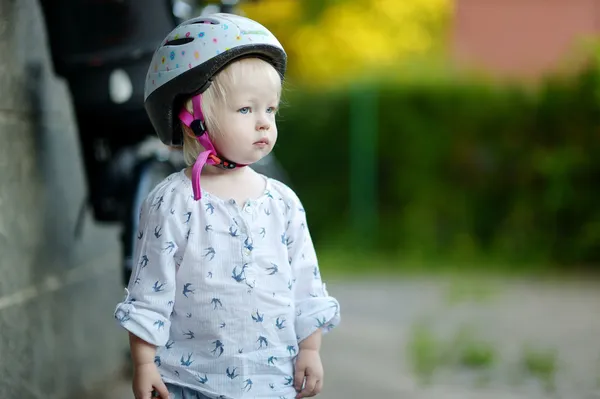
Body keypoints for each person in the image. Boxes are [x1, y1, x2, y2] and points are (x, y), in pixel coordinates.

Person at [113, 13, 341, 399]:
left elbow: (307, 283)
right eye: (246, 110)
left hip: (273, 379)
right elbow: (150, 290)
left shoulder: (282, 202)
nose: (264, 123)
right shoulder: (173, 202)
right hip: (189, 380)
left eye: (270, 110)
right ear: (192, 121)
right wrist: (144, 363)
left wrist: (310, 348)